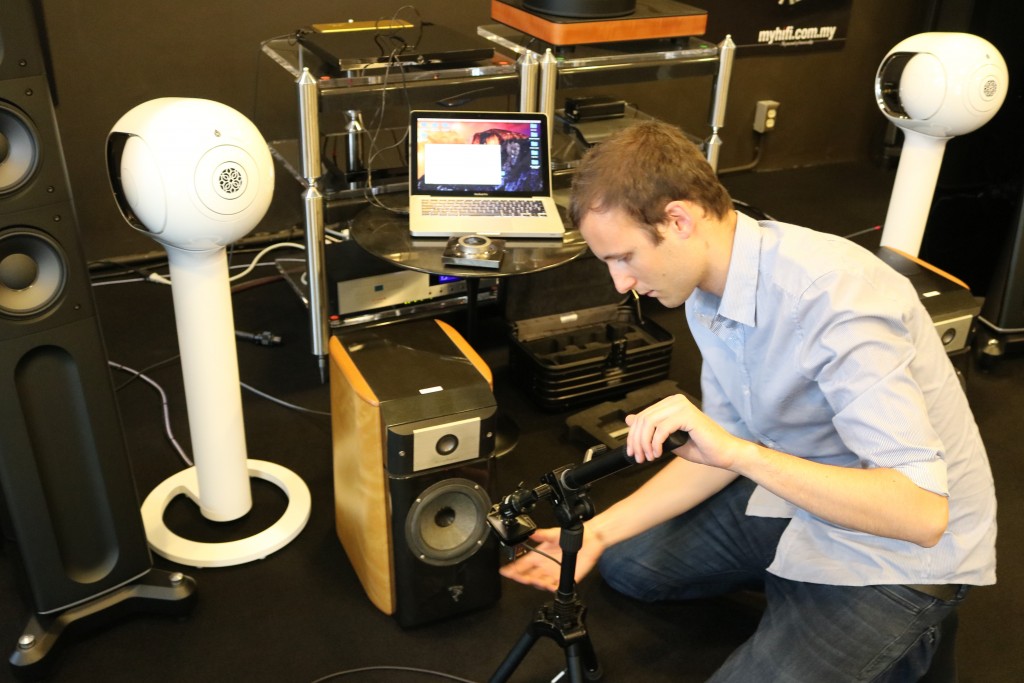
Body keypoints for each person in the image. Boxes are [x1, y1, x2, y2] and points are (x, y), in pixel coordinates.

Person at [499, 120, 997, 681]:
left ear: (679, 220)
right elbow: (728, 441)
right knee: (627, 565)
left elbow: (923, 513)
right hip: (806, 494)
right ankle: (799, 587)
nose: (620, 284)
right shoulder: (704, 289)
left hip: (898, 550)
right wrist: (599, 530)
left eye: (623, 258)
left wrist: (740, 455)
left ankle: (911, 624)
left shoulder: (835, 298)